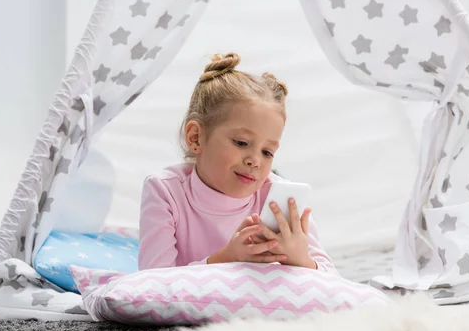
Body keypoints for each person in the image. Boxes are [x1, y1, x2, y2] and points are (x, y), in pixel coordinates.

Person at [138, 52, 336, 273]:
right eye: (241, 143)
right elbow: (152, 280)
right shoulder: (165, 191)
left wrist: (302, 260)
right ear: (196, 137)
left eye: (267, 152)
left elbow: (333, 279)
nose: (255, 160)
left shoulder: (276, 200)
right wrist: (226, 258)